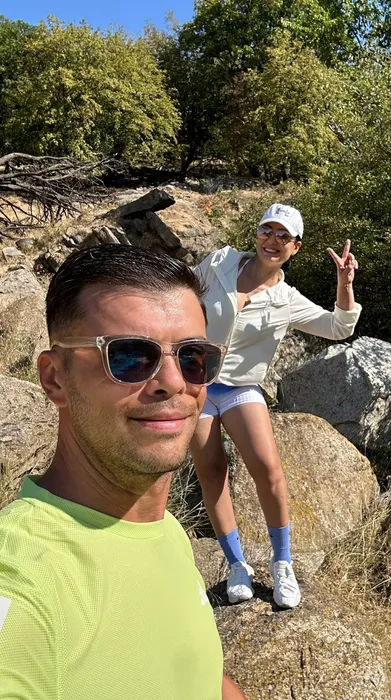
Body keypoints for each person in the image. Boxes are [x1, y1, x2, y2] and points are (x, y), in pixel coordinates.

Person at [0, 245, 245, 700]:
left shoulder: (165, 531)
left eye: (193, 357)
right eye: (130, 356)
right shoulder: (22, 579)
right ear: (54, 378)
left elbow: (195, 676)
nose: (174, 382)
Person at [192, 203, 361, 609]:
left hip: (240, 387)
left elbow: (338, 327)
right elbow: (179, 293)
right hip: (195, 382)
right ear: (257, 234)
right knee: (211, 471)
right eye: (267, 230)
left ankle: (282, 562)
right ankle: (237, 565)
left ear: (295, 247)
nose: (273, 240)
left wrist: (344, 283)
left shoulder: (286, 299)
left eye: (283, 236)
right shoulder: (219, 263)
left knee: (269, 471)